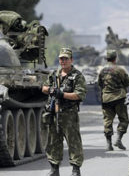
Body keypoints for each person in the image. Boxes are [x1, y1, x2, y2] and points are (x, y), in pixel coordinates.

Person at [42, 48, 87, 176]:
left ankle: (75, 169)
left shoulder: (77, 76)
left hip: (69, 114)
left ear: (71, 60)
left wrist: (62, 94)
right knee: (53, 142)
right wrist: (50, 90)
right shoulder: (54, 74)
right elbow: (44, 88)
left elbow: (79, 95)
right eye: (61, 58)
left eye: (66, 58)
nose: (63, 61)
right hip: (54, 113)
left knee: (74, 142)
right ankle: (54, 169)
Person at [98, 49, 129, 151]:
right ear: (115, 58)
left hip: (106, 99)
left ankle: (109, 144)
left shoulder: (102, 70)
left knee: (107, 121)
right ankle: (118, 139)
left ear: (106, 58)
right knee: (124, 119)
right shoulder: (120, 70)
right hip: (119, 97)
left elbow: (100, 84)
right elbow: (126, 83)